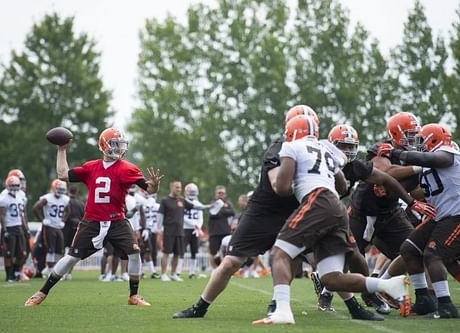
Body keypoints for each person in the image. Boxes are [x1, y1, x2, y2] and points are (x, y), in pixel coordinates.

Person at [173, 107, 380, 322]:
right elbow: (277, 185)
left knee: (322, 262)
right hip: (264, 212)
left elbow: (341, 182)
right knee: (231, 262)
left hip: (300, 210)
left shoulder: (317, 149)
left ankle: (351, 305)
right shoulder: (281, 149)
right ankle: (200, 306)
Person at [253, 115, 410, 325]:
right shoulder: (325, 149)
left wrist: (297, 183)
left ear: (290, 134)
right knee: (331, 278)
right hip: (336, 207)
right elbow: (343, 186)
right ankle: (387, 286)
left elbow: (281, 189)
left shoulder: (291, 147)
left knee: (280, 252)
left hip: (317, 200)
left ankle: (281, 309)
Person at [24, 127, 163, 307]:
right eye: (115, 144)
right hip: (92, 221)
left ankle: (134, 295)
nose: (119, 149)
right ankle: (42, 292)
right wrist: (61, 149)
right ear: (104, 145)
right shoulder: (91, 167)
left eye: (121, 145)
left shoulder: (128, 169)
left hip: (117, 221)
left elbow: (149, 189)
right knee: (71, 257)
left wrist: (155, 186)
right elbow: (63, 174)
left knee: (134, 253)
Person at [377, 123, 460, 318]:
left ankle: (446, 305)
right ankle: (424, 300)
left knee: (433, 255)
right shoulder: (426, 165)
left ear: (434, 139)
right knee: (409, 250)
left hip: (456, 215)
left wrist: (397, 154)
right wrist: (385, 188)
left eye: (422, 140)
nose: (419, 145)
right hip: (441, 216)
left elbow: (431, 158)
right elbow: (403, 186)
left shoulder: (447, 152)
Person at [346, 112, 426, 311]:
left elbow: (413, 190)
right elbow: (386, 173)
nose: (414, 139)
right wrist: (421, 166)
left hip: (391, 213)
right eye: (409, 134)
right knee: (348, 255)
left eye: (416, 134)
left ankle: (385, 285)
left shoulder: (415, 155)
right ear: (395, 134)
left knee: (415, 249)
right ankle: (326, 294)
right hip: (363, 211)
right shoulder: (384, 149)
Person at [157, 181, 195, 282]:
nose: (179, 189)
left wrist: (210, 206)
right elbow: (160, 215)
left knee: (177, 254)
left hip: (180, 231)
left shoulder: (182, 200)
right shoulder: (165, 200)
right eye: (177, 187)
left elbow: (194, 206)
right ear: (171, 187)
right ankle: (164, 274)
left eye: (180, 188)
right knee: (166, 253)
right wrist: (159, 228)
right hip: (168, 231)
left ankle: (173, 274)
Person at [32, 179, 70, 273]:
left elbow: (68, 211)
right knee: (51, 249)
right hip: (49, 226)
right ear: (54, 188)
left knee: (60, 250)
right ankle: (49, 269)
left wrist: (63, 220)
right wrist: (43, 220)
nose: (60, 192)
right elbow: (35, 208)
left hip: (58, 226)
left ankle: (56, 268)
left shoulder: (65, 199)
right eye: (59, 189)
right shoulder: (47, 198)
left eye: (62, 189)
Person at [0, 175, 28, 282]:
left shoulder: (21, 196)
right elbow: (2, 215)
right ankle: (9, 275)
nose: (14, 188)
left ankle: (15, 273)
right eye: (12, 186)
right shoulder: (4, 198)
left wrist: (26, 228)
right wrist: (5, 230)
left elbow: (23, 214)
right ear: (7, 186)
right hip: (9, 227)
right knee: (9, 254)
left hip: (19, 226)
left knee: (22, 254)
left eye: (16, 185)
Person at [178, 183, 205, 279]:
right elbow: (182, 217)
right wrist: (195, 225)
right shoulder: (183, 202)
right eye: (190, 191)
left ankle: (192, 272)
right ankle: (178, 271)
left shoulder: (199, 204)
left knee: (195, 251)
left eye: (193, 191)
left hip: (195, 230)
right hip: (185, 228)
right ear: (186, 192)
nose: (192, 193)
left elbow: (201, 218)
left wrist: (198, 226)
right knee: (182, 251)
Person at [208, 185, 235, 268]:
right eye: (219, 193)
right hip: (214, 231)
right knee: (213, 251)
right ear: (216, 194)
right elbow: (212, 214)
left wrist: (220, 210)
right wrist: (223, 211)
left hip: (225, 231)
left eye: (222, 193)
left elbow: (232, 212)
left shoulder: (228, 203)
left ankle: (225, 268)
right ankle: (213, 268)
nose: (221, 195)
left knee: (226, 250)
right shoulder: (212, 203)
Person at [61, 185, 84, 280]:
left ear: (68, 191)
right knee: (73, 252)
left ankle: (60, 272)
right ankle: (69, 273)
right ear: (76, 192)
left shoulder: (66, 201)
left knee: (62, 250)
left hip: (66, 227)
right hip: (77, 228)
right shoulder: (81, 203)